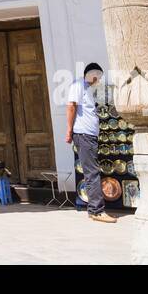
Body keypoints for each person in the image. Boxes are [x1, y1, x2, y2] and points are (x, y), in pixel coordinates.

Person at [66, 63, 113, 224]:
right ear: (92, 74)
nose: (99, 79)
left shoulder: (88, 89)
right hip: (83, 134)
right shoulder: (78, 85)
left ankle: (95, 209)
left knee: (93, 171)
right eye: (98, 76)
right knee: (92, 173)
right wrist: (69, 130)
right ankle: (96, 210)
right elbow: (71, 106)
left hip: (90, 135)